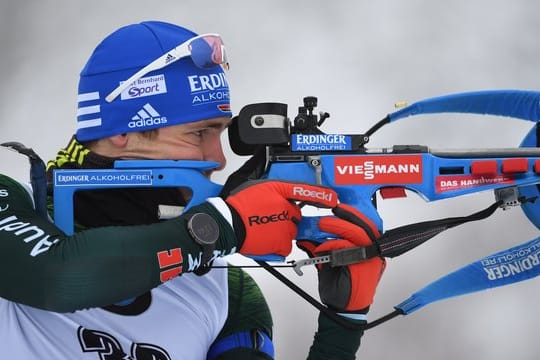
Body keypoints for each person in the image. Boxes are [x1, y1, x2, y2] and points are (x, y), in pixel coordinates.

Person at [0, 21, 385, 359]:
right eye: (199, 133)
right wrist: (221, 226)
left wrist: (342, 326)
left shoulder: (227, 291)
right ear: (120, 131)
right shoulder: (11, 203)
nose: (218, 159)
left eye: (219, 132)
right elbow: (58, 278)